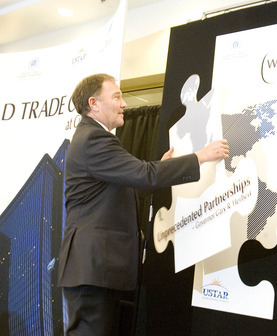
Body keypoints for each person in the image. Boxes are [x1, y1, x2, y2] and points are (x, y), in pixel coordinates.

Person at [57, 73, 229, 335]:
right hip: (92, 268)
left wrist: (161, 165)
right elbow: (144, 175)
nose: (123, 103)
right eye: (116, 96)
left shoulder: (91, 138)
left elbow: (129, 185)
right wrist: (200, 156)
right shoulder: (93, 139)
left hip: (96, 269)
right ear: (94, 103)